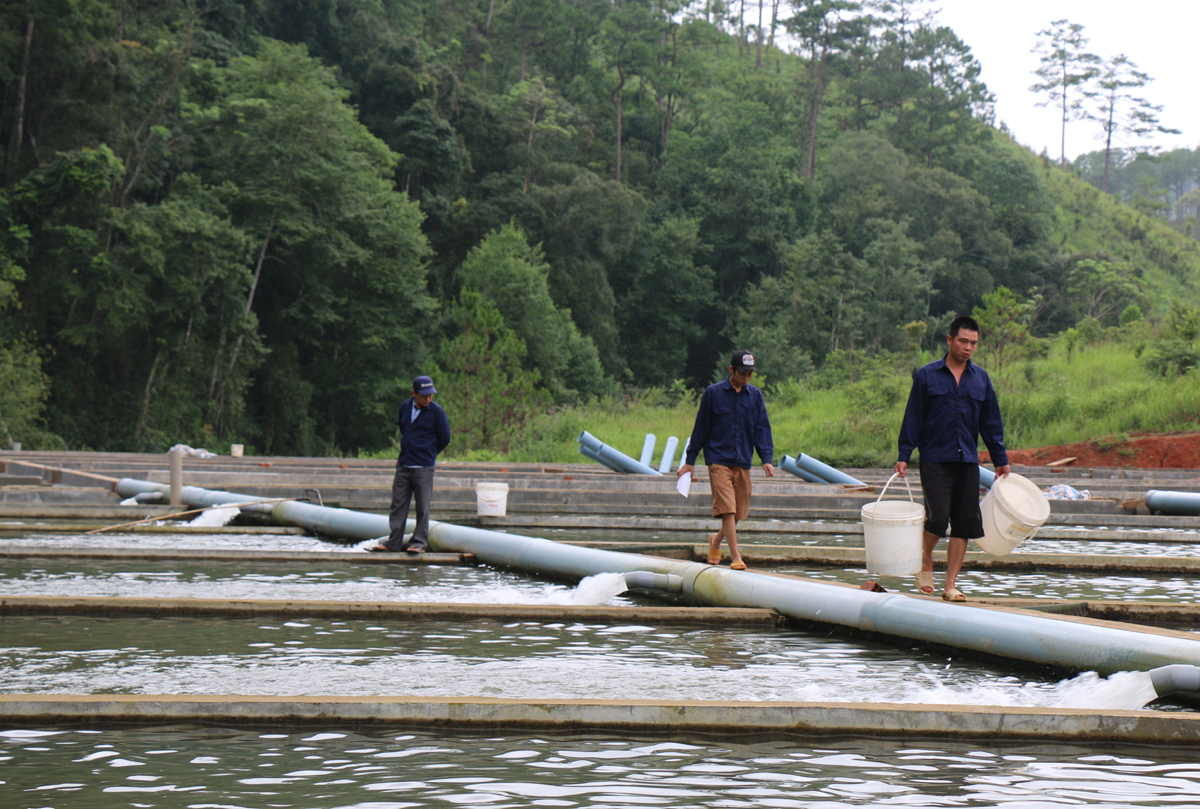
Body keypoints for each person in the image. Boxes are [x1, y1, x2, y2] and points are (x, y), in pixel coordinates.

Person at [895, 315, 1010, 601]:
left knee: (965, 521)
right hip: (935, 458)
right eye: (963, 341)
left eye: (974, 343)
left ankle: (950, 586)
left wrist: (1000, 459)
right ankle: (924, 559)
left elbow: (991, 423)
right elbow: (913, 417)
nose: (969, 347)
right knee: (938, 518)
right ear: (949, 340)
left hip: (967, 460)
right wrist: (904, 454)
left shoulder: (981, 378)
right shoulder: (926, 375)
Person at [676, 350, 775, 570]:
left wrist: (766, 458)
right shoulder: (713, 393)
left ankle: (716, 539)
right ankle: (736, 556)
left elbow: (762, 428)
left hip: (742, 461)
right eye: (743, 373)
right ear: (731, 370)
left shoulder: (755, 396)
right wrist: (690, 461)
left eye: (750, 373)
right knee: (728, 509)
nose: (747, 377)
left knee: (739, 511)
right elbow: (700, 428)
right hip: (718, 460)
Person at [369, 375, 451, 553]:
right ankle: (393, 542)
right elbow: (403, 428)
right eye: (424, 395)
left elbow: (445, 438)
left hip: (424, 467)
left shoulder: (436, 412)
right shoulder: (405, 407)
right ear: (414, 393)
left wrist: (428, 453)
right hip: (404, 465)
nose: (428, 399)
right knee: (398, 505)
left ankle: (419, 542)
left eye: (430, 395)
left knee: (422, 506)